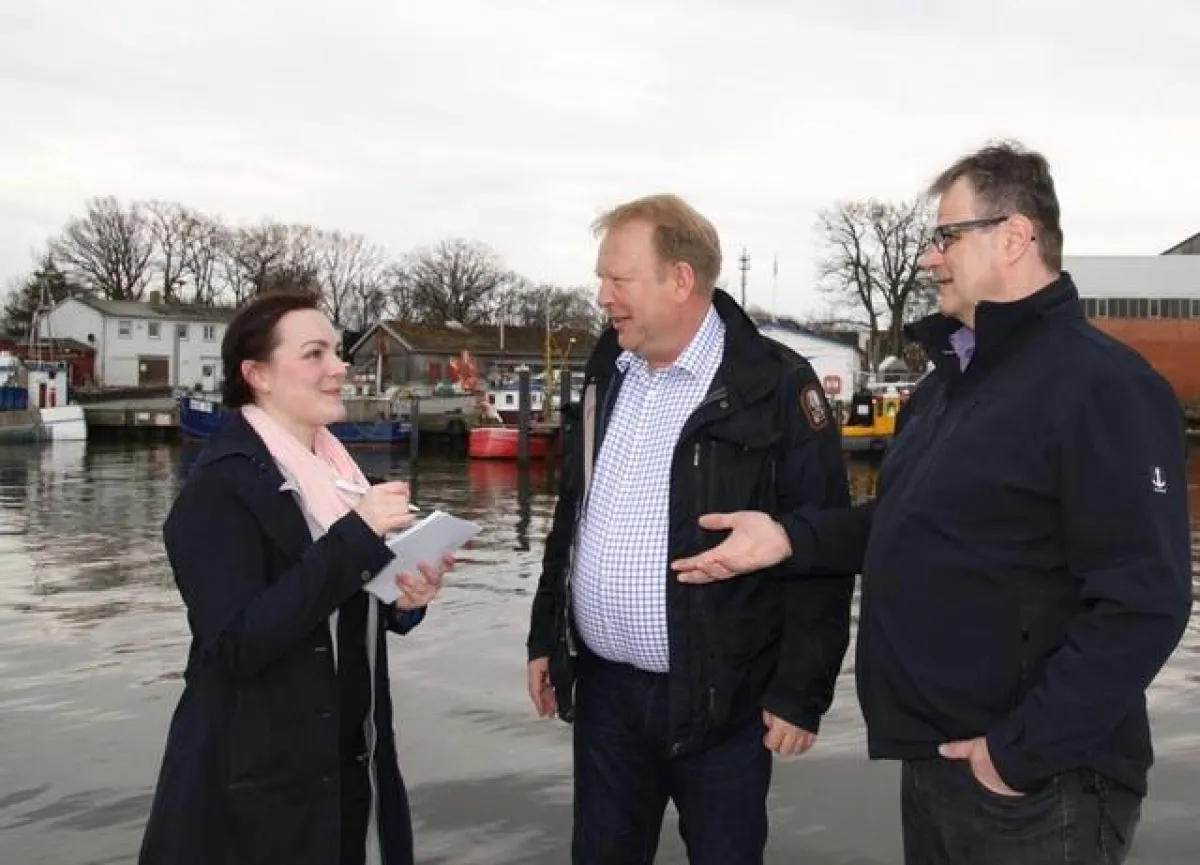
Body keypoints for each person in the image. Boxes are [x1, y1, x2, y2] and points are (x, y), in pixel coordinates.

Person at [671, 143, 1193, 864]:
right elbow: (902, 526)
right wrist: (787, 538)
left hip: (1042, 785)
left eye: (947, 236)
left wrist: (1018, 753)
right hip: (942, 763)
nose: (929, 258)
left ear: (1015, 236)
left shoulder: (1105, 386)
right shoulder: (945, 388)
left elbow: (1146, 601)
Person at [526, 194, 854, 865]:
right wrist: (546, 634)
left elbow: (824, 543)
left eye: (618, 279)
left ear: (680, 279)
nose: (601, 296)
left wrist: (801, 692)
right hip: (606, 697)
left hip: (723, 702)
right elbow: (573, 515)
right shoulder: (605, 372)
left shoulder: (776, 386)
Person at [138, 291, 453, 865]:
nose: (339, 368)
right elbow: (236, 643)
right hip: (257, 795)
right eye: (315, 354)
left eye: (336, 351)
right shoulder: (218, 490)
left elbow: (337, 605)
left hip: (351, 769)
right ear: (256, 373)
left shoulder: (342, 479)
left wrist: (405, 598)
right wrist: (356, 540)